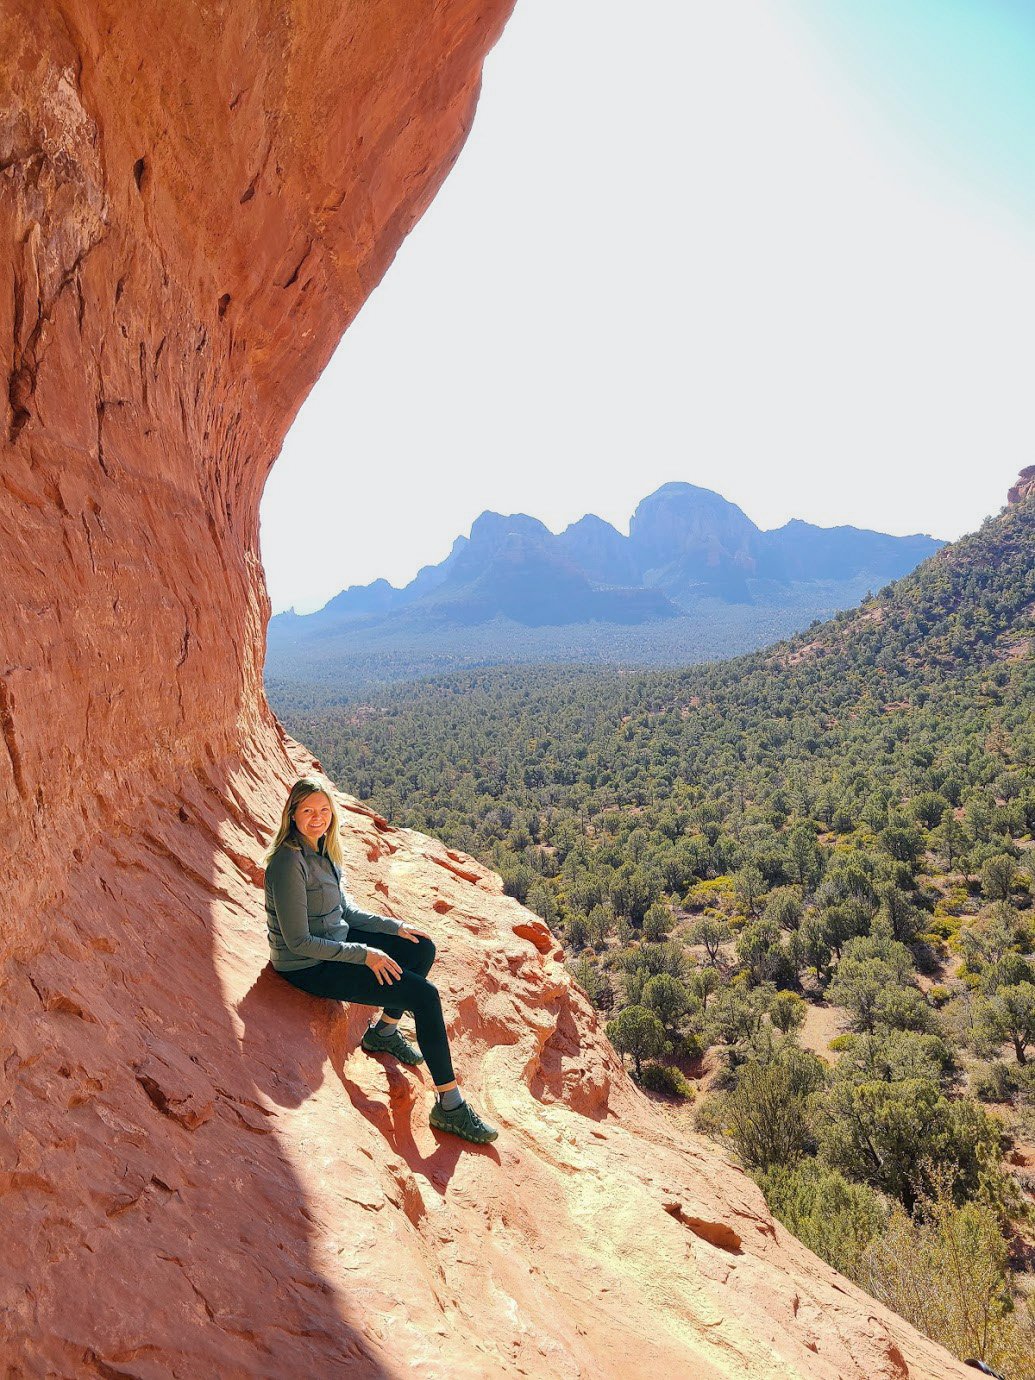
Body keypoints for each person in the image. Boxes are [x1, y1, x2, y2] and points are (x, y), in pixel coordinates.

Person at [264, 776, 498, 1144]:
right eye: (308, 811)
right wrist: (365, 955)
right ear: (292, 815)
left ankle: (384, 1032)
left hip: (333, 940)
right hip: (308, 965)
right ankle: (450, 1106)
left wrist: (395, 928)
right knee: (424, 996)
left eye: (324, 810)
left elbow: (347, 913)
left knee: (421, 947)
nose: (317, 818)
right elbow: (299, 942)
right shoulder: (287, 862)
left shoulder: (322, 849)